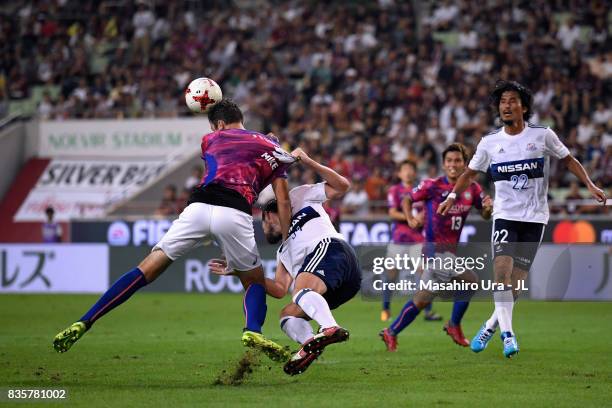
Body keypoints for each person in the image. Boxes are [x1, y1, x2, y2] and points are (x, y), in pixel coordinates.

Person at [53, 100, 295, 362]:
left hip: (197, 209)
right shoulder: (271, 146)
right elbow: (282, 200)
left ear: (219, 125)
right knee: (254, 281)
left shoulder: (209, 140)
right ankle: (253, 330)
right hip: (235, 212)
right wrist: (286, 235)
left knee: (146, 269)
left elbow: (229, 145)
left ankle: (86, 320)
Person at [438, 81, 606, 358]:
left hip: (535, 218)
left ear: (523, 107)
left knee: (516, 284)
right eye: (502, 101)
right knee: (501, 275)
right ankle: (508, 335)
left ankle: (491, 325)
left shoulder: (542, 135)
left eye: (512, 100)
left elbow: (569, 160)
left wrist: (590, 185)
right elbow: (469, 174)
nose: (506, 105)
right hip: (505, 216)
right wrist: (452, 197)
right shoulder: (490, 142)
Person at [211, 148, 361, 375]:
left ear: (271, 213)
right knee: (287, 313)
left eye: (265, 223)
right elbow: (279, 288)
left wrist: (310, 161)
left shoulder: (300, 197)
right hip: (343, 285)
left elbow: (342, 186)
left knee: (300, 290)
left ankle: (329, 327)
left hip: (332, 249)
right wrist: (241, 271)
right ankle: (310, 346)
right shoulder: (284, 251)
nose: (264, 228)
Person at [380, 143, 493, 351]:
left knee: (422, 299)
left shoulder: (472, 188)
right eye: (449, 161)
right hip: (434, 251)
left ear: (465, 164)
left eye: (457, 161)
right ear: (443, 164)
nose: (453, 164)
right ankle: (453, 325)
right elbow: (406, 199)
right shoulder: (432, 185)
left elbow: (485, 215)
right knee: (470, 281)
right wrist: (410, 217)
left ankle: (391, 331)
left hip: (448, 252)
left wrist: (487, 209)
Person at [381, 160, 441, 322]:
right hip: (399, 239)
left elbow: (430, 212)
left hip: (418, 240)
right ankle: (385, 309)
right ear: (399, 173)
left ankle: (428, 311)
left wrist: (423, 218)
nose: (407, 172)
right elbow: (392, 212)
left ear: (414, 173)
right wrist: (410, 218)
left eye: (410, 169)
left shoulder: (422, 190)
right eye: (404, 169)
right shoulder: (395, 190)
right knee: (391, 274)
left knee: (424, 273)